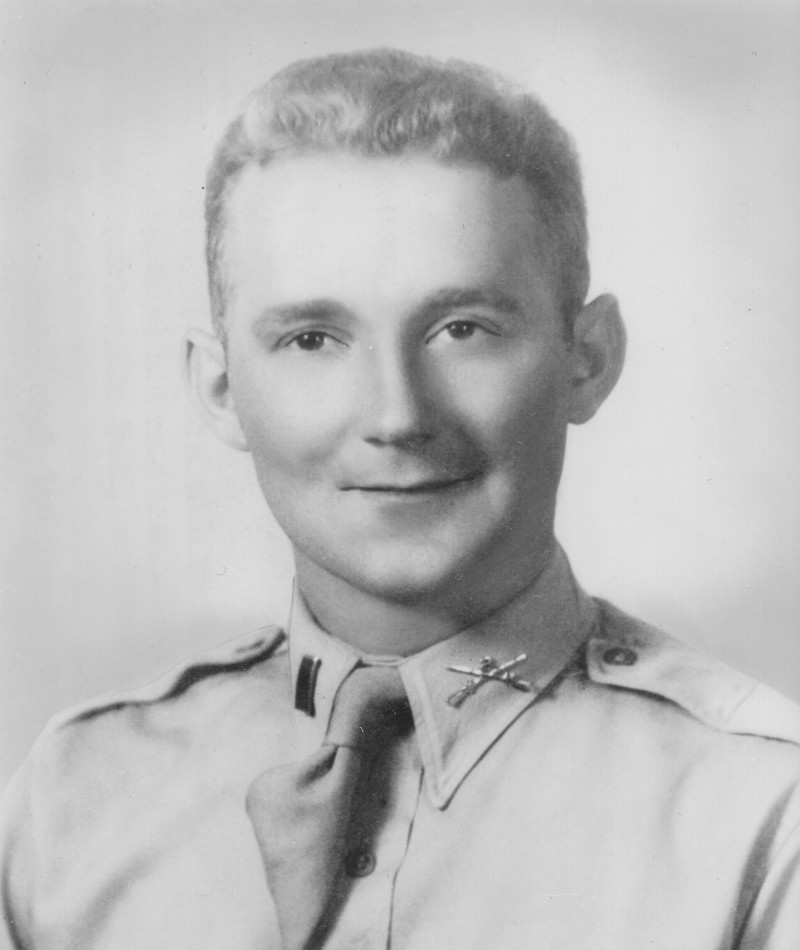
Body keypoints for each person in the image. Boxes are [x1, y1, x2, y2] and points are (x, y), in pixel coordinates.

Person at [1, 48, 798, 950]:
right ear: (222, 390)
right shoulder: (68, 808)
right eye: (311, 339)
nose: (396, 414)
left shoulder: (760, 815)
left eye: (463, 330)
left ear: (589, 358)